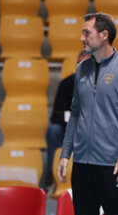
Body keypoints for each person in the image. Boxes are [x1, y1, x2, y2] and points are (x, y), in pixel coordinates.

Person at [57, 13, 118, 215]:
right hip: (82, 164)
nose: (82, 38)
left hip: (113, 165)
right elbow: (75, 113)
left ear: (104, 35)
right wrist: (66, 153)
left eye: (86, 33)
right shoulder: (81, 68)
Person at [43, 50, 91, 191]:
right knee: (53, 131)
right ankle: (53, 180)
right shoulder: (67, 84)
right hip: (69, 129)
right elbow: (56, 115)